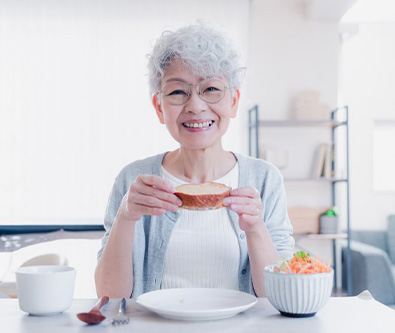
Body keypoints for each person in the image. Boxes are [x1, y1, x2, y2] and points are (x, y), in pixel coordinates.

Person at [95, 24, 294, 299]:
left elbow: (280, 296)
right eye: (178, 92)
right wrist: (126, 216)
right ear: (158, 107)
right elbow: (109, 296)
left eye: (211, 89)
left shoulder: (264, 179)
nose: (196, 106)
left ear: (233, 101)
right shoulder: (133, 180)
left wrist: (256, 228)